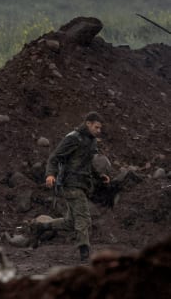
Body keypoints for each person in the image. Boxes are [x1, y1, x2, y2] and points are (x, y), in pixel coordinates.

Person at [31, 111, 110, 262]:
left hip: (82, 184)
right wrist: (50, 174)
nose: (99, 131)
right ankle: (85, 254)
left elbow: (87, 164)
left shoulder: (91, 141)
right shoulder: (73, 138)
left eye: (100, 128)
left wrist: (99, 176)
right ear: (88, 123)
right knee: (84, 218)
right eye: (97, 127)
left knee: (71, 222)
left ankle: (41, 227)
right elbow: (55, 157)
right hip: (70, 184)